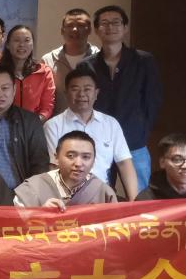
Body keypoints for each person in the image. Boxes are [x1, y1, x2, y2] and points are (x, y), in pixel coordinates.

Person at [84, 5, 163, 191]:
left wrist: (142, 130)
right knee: (98, 195)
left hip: (134, 141)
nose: (110, 27)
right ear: (96, 30)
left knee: (140, 195)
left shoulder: (143, 61)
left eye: (116, 22)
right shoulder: (86, 65)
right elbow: (83, 103)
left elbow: (153, 100)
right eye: (104, 23)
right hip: (98, 142)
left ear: (125, 27)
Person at [43, 66, 138, 200]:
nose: (81, 94)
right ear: (66, 93)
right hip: (68, 197)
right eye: (75, 89)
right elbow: (53, 167)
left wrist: (135, 202)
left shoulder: (110, 124)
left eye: (87, 89)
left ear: (96, 93)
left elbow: (124, 164)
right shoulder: (53, 126)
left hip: (103, 195)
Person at [15, 131, 117, 209]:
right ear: (56, 157)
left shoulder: (103, 192)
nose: (78, 163)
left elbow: (116, 227)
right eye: (71, 156)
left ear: (94, 161)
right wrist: (39, 214)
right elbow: (16, 225)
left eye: (86, 157)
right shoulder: (32, 188)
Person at [41, 8, 99, 115]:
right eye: (70, 25)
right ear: (62, 30)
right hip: (58, 123)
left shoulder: (99, 58)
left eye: (81, 25)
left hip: (92, 122)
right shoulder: (48, 60)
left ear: (89, 30)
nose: (75, 29)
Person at [0, 24, 55, 121]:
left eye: (27, 40)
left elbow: (47, 106)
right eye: (16, 40)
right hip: (3, 125)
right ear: (7, 45)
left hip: (35, 124)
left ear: (32, 45)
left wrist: (33, 123)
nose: (22, 45)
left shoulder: (44, 72)